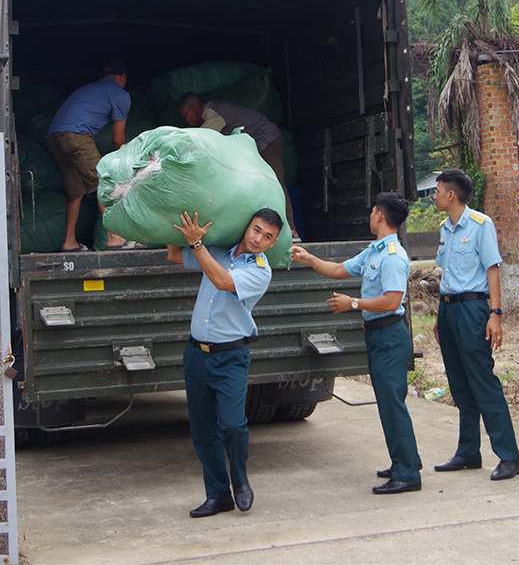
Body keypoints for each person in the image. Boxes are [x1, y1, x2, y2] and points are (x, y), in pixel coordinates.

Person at [291, 192, 422, 494]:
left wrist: (353, 303)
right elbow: (339, 270)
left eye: (372, 211)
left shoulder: (391, 257)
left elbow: (391, 302)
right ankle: (404, 460)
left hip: (389, 334)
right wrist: (309, 257)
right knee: (388, 403)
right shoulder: (374, 251)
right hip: (378, 334)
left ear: (379, 215)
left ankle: (407, 474)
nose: (370, 215)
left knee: (392, 404)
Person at [167, 208, 282, 517]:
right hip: (195, 355)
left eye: (267, 237)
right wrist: (174, 224)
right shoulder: (216, 248)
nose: (259, 239)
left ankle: (240, 480)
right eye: (256, 230)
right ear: (247, 227)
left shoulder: (260, 270)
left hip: (230, 356)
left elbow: (221, 280)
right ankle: (218, 495)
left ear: (273, 244)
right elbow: (175, 255)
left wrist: (197, 244)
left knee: (232, 424)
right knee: (202, 430)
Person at [432, 169, 519, 481]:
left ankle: (509, 456)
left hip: (473, 309)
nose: (434, 195)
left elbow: (492, 269)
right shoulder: (446, 228)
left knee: (482, 381)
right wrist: (439, 316)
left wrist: (494, 314)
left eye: (438, 190)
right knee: (459, 384)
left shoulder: (481, 224)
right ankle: (468, 451)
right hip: (449, 310)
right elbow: (446, 274)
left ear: (451, 195)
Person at [177, 93, 299, 241]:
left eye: (185, 116)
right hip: (257, 146)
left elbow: (204, 138)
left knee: (275, 184)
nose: (185, 121)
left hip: (267, 141)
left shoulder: (213, 111)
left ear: (194, 109)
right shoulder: (213, 113)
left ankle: (291, 231)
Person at [47, 58, 131, 251]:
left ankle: (69, 241)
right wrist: (127, 165)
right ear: (123, 78)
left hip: (54, 137)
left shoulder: (88, 89)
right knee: (103, 182)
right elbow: (118, 140)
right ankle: (115, 238)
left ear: (103, 76)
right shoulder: (120, 95)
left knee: (75, 192)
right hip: (76, 136)